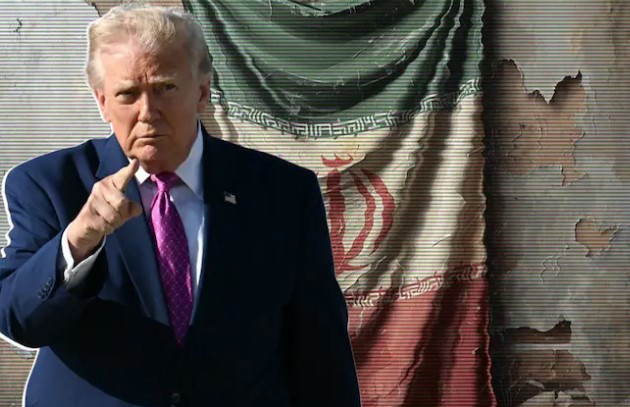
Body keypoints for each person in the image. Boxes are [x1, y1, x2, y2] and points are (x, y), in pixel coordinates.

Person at [0, 4, 361, 406]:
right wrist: (78, 242)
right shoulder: (49, 185)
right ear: (102, 102)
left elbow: (320, 350)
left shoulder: (282, 192)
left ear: (202, 92)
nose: (147, 113)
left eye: (165, 88)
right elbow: (18, 320)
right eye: (127, 94)